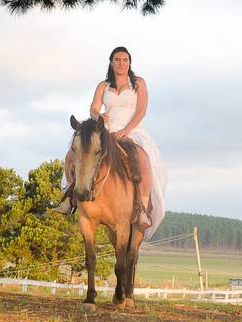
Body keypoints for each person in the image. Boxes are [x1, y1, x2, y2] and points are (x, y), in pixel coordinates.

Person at [53, 46, 167, 239]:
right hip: (106, 131)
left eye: (125, 60)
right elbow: (94, 107)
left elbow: (141, 111)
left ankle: (141, 208)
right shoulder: (103, 85)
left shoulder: (139, 83)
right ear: (111, 62)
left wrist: (126, 131)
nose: (121, 63)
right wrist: (98, 115)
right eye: (117, 60)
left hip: (132, 131)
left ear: (129, 63)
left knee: (143, 159)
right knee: (71, 155)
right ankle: (71, 197)